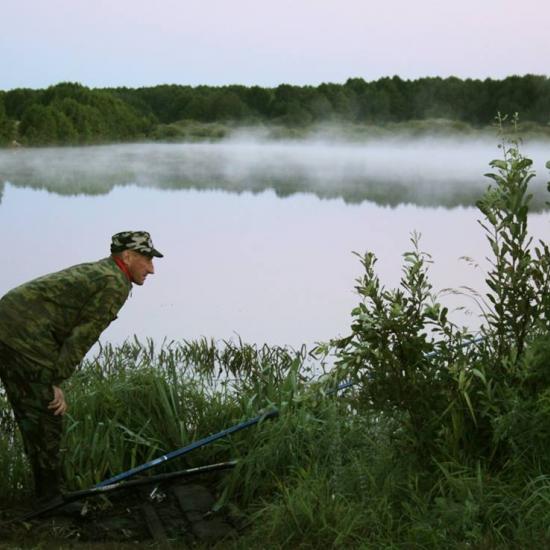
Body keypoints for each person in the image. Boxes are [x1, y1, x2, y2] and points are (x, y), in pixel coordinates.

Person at [0, 231, 163, 506]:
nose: (152, 269)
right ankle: (50, 500)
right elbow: (81, 338)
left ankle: (44, 495)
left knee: (32, 413)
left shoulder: (104, 271)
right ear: (128, 256)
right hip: (25, 337)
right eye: (146, 259)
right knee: (47, 415)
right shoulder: (115, 284)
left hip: (10, 324)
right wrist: (55, 380)